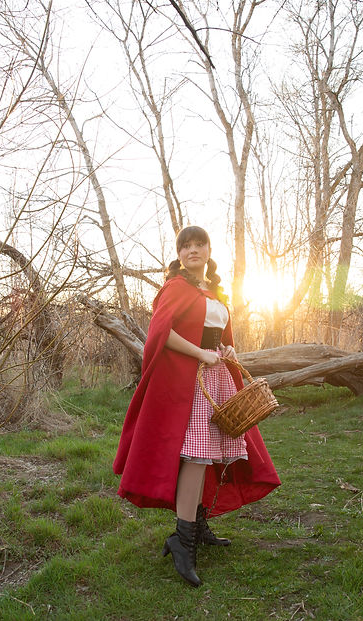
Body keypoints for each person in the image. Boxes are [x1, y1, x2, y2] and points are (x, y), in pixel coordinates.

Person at [113, 225, 280, 587]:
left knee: (213, 451)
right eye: (185, 246)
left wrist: (227, 350)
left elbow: (219, 334)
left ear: (208, 249)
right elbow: (162, 334)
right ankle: (182, 539)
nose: (192, 250)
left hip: (215, 378)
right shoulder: (175, 288)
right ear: (179, 253)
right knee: (197, 454)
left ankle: (197, 523)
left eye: (198, 244)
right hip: (188, 380)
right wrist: (201, 353)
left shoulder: (215, 291)